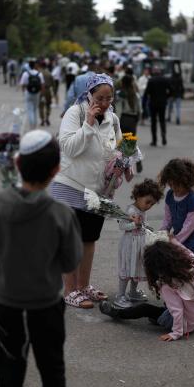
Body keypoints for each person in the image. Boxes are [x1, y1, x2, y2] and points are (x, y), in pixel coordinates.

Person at [0, 130, 83, 387]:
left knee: (9, 376)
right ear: (56, 169)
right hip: (47, 308)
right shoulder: (61, 214)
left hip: (7, 308)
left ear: (17, 163)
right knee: (52, 372)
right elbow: (71, 263)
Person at [49, 73, 127, 309]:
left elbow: (118, 147)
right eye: (100, 97)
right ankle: (70, 290)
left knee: (89, 239)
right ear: (89, 94)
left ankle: (84, 286)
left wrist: (125, 159)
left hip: (99, 190)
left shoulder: (112, 118)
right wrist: (88, 123)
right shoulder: (76, 113)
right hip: (70, 184)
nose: (104, 103)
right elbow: (69, 148)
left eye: (109, 98)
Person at [99, 241, 194, 342]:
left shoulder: (169, 285)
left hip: (186, 323)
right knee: (167, 305)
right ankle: (159, 318)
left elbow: (177, 311)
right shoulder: (191, 263)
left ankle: (116, 313)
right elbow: (185, 250)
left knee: (145, 308)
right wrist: (172, 239)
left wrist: (176, 333)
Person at [114, 179, 163, 308]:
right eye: (147, 202)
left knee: (135, 268)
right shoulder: (131, 210)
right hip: (129, 245)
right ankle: (120, 295)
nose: (148, 206)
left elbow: (142, 225)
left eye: (151, 204)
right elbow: (122, 226)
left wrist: (146, 228)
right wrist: (134, 224)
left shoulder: (142, 211)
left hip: (139, 245)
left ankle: (133, 292)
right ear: (138, 196)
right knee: (127, 269)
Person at [158, 158, 194, 255]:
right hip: (176, 236)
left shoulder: (192, 199)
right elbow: (167, 219)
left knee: (185, 264)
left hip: (190, 239)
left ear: (186, 182)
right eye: (170, 184)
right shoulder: (170, 195)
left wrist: (176, 239)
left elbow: (190, 225)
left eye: (177, 185)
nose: (174, 188)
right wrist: (162, 234)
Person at [115, 70, 143, 173]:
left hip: (123, 119)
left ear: (123, 83)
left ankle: (123, 165)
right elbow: (140, 109)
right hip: (132, 119)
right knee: (130, 141)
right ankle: (137, 161)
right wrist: (137, 119)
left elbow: (118, 110)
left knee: (121, 142)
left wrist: (115, 123)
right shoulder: (135, 94)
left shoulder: (121, 94)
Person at [144, 67, 171, 146]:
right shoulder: (165, 80)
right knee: (162, 121)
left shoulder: (151, 80)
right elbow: (172, 90)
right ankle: (163, 137)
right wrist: (166, 97)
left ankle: (154, 140)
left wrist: (144, 102)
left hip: (153, 104)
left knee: (153, 122)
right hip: (162, 103)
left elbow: (146, 93)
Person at [19, 60, 45, 130]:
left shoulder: (26, 73)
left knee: (30, 110)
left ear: (28, 66)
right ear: (34, 65)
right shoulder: (39, 74)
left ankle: (32, 127)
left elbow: (22, 84)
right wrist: (42, 94)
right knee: (35, 110)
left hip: (28, 93)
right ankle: (35, 126)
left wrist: (23, 92)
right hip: (37, 93)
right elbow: (42, 85)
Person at [39, 61, 55, 127]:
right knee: (48, 105)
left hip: (40, 90)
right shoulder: (49, 73)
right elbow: (53, 83)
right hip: (48, 90)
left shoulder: (39, 73)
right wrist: (54, 91)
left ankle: (42, 120)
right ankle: (47, 118)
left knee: (41, 106)